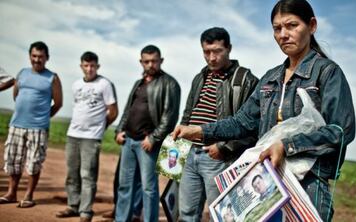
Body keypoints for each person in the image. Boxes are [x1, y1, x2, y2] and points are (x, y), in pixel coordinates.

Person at [172, 0, 356, 221]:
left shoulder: (327, 73)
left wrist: (286, 146)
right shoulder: (271, 78)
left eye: (292, 25)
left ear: (312, 25)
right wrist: (200, 131)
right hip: (266, 183)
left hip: (307, 184)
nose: (283, 34)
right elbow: (242, 122)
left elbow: (341, 130)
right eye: (277, 28)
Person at [177, 27, 259, 222]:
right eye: (207, 52)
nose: (211, 57)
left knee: (223, 215)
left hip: (218, 157)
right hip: (189, 154)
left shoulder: (245, 80)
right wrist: (178, 149)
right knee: (186, 213)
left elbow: (253, 126)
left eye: (217, 51)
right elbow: (188, 113)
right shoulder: (200, 77)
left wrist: (223, 147)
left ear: (229, 48)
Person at [115, 45, 181, 222]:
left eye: (154, 61)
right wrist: (119, 130)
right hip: (128, 140)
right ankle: (121, 219)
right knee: (125, 186)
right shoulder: (139, 83)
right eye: (146, 61)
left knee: (149, 188)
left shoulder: (170, 83)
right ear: (141, 62)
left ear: (161, 61)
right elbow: (128, 110)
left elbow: (170, 117)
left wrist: (153, 138)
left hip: (148, 144)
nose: (150, 64)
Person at [56, 51, 118, 222]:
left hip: (91, 138)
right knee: (72, 173)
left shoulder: (104, 84)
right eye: (86, 65)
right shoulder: (76, 84)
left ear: (97, 66)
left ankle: (86, 211)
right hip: (73, 134)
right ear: (81, 66)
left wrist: (99, 128)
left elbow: (113, 111)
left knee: (87, 175)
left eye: (93, 66)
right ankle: (72, 205)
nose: (89, 69)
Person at [0, 41, 63, 208]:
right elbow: (16, 96)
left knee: (34, 162)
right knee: (13, 160)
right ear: (29, 56)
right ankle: (11, 193)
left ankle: (28, 195)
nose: (37, 60)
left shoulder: (53, 78)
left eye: (41, 57)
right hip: (17, 124)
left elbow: (58, 103)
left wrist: (42, 118)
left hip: (38, 128)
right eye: (34, 56)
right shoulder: (22, 73)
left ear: (47, 58)